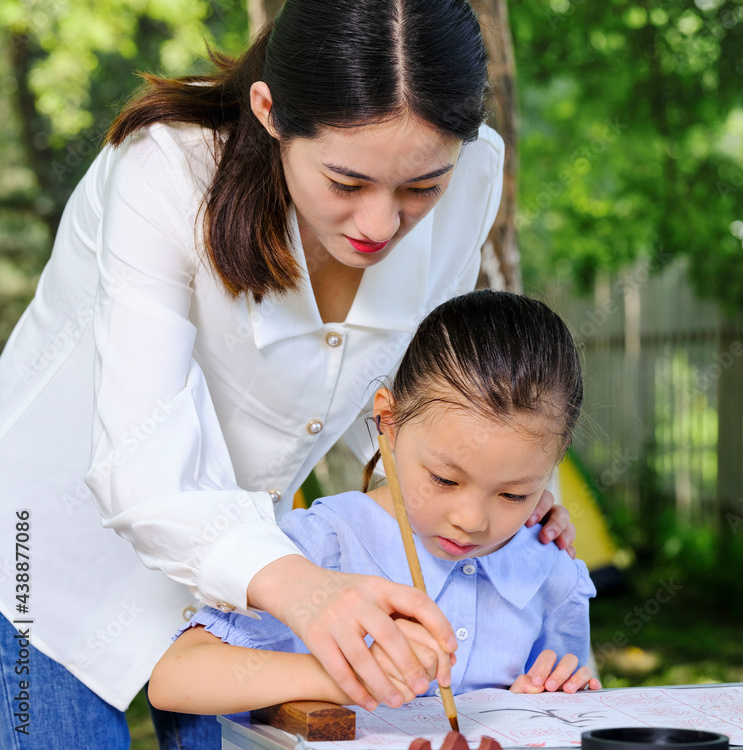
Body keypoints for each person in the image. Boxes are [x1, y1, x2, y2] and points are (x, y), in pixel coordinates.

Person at [0, 2, 576, 748]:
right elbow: (142, 462)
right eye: (345, 181)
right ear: (269, 113)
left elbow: (437, 388)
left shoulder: (472, 179)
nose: (379, 224)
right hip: (44, 557)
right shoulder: (168, 172)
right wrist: (309, 592)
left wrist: (514, 490)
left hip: (243, 575)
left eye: (420, 188)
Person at [148, 290, 600, 715]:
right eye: (444, 479)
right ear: (388, 420)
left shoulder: (553, 572)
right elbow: (174, 678)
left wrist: (542, 701)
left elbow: (562, 702)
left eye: (512, 494)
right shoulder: (328, 545)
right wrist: (344, 677)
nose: (470, 520)